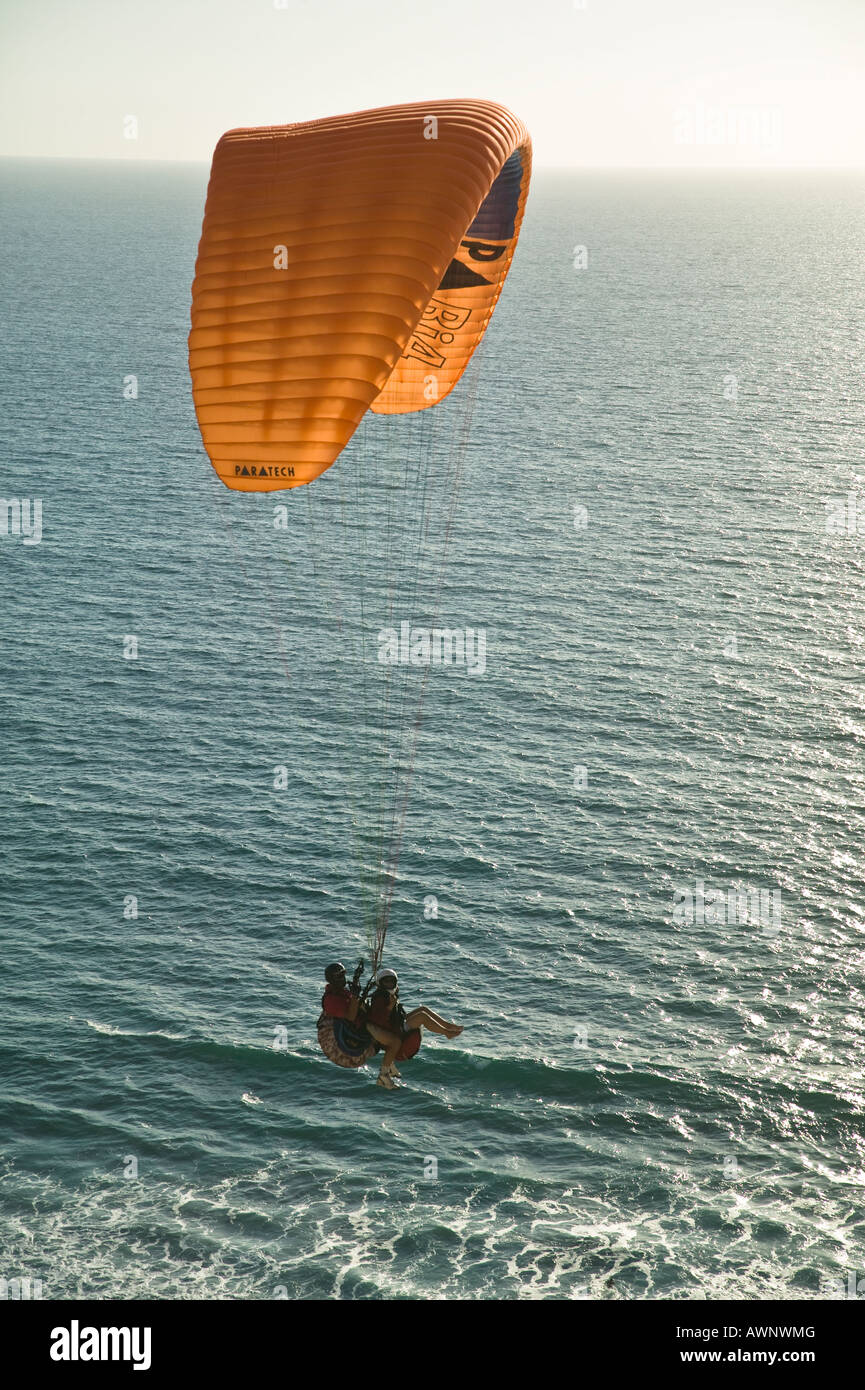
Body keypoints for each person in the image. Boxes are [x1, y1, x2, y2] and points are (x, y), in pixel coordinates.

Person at [366, 968, 463, 1090]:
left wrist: (393, 1006)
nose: (390, 984)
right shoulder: (379, 998)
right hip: (393, 1030)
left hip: (397, 1022)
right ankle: (446, 1032)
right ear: (380, 983)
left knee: (423, 1009)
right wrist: (390, 1006)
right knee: (422, 1017)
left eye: (392, 981)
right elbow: (379, 1020)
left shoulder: (389, 994)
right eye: (386, 982)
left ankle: (447, 1026)